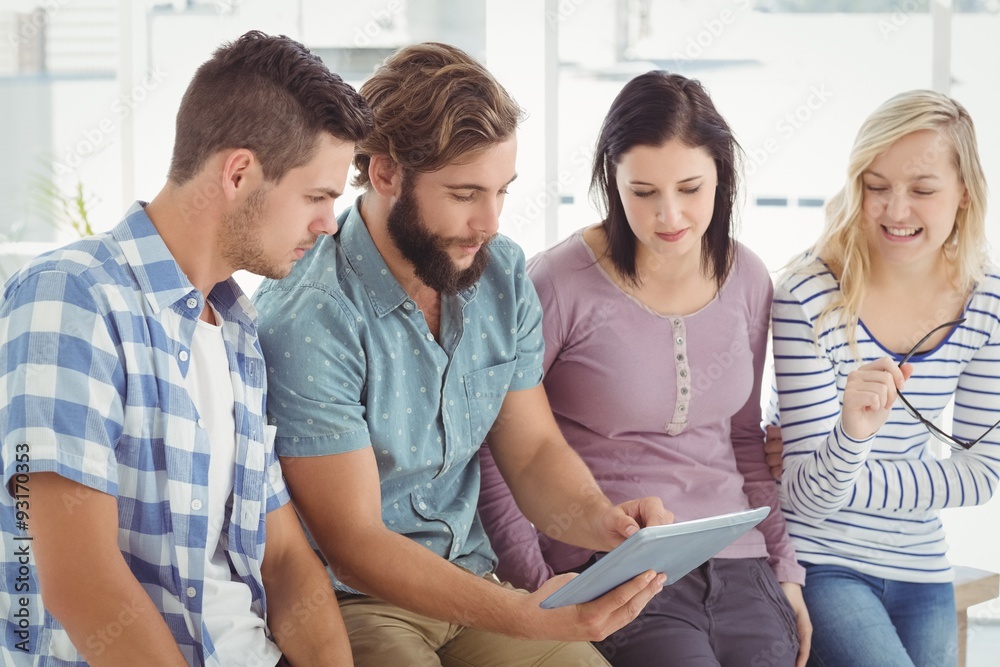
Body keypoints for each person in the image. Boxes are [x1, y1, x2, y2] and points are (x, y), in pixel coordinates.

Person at [253, 42, 671, 667]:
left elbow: (531, 451)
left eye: (502, 191)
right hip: (353, 603)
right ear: (387, 172)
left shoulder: (499, 272)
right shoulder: (311, 312)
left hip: (471, 584)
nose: (490, 222)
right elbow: (354, 544)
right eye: (464, 194)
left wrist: (603, 523)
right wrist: (520, 613)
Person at [0, 30, 372, 666]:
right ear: (238, 173)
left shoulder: (236, 331)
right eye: (317, 196)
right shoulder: (71, 297)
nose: (329, 223)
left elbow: (283, 560)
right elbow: (78, 581)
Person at [478, 70, 812, 667]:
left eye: (690, 188)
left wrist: (785, 570)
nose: (669, 215)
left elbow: (741, 439)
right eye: (642, 192)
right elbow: (497, 449)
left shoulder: (750, 278)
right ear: (612, 181)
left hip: (738, 558)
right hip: (612, 561)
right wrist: (539, 583)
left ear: (722, 177)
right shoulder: (557, 283)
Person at [768, 89, 999, 667]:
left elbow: (984, 474)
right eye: (877, 187)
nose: (896, 210)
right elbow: (807, 499)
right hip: (819, 562)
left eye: (922, 190)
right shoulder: (807, 294)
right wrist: (851, 435)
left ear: (964, 194)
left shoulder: (986, 303)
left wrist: (848, 470)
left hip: (920, 560)